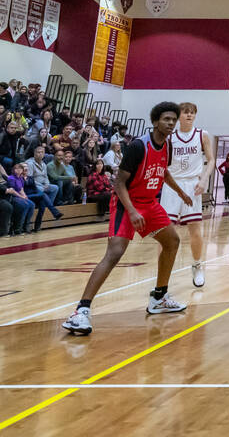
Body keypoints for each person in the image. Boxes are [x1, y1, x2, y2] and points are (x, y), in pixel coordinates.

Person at [61, 103, 194, 336]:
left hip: (149, 203)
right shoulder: (137, 146)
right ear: (155, 122)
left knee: (172, 241)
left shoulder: (168, 145)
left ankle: (159, 297)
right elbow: (119, 183)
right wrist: (132, 211)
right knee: (115, 253)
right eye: (167, 119)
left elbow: (163, 171)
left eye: (174, 119)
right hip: (126, 203)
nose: (171, 123)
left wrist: (181, 192)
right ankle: (80, 311)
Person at [162, 103, 215, 288]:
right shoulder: (170, 137)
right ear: (179, 116)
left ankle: (197, 264)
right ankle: (164, 271)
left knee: (195, 229)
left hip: (192, 184)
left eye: (192, 113)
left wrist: (204, 180)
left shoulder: (202, 135)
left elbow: (211, 160)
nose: (190, 115)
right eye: (186, 112)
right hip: (172, 184)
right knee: (166, 231)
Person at [7, 162, 61, 232]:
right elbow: (20, 190)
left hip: (33, 196)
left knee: (42, 204)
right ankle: (55, 212)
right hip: (25, 196)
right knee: (43, 195)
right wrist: (25, 196)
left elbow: (35, 189)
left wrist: (39, 194)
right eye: (23, 167)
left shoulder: (30, 178)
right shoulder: (19, 178)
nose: (25, 168)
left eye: (26, 167)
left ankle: (37, 226)